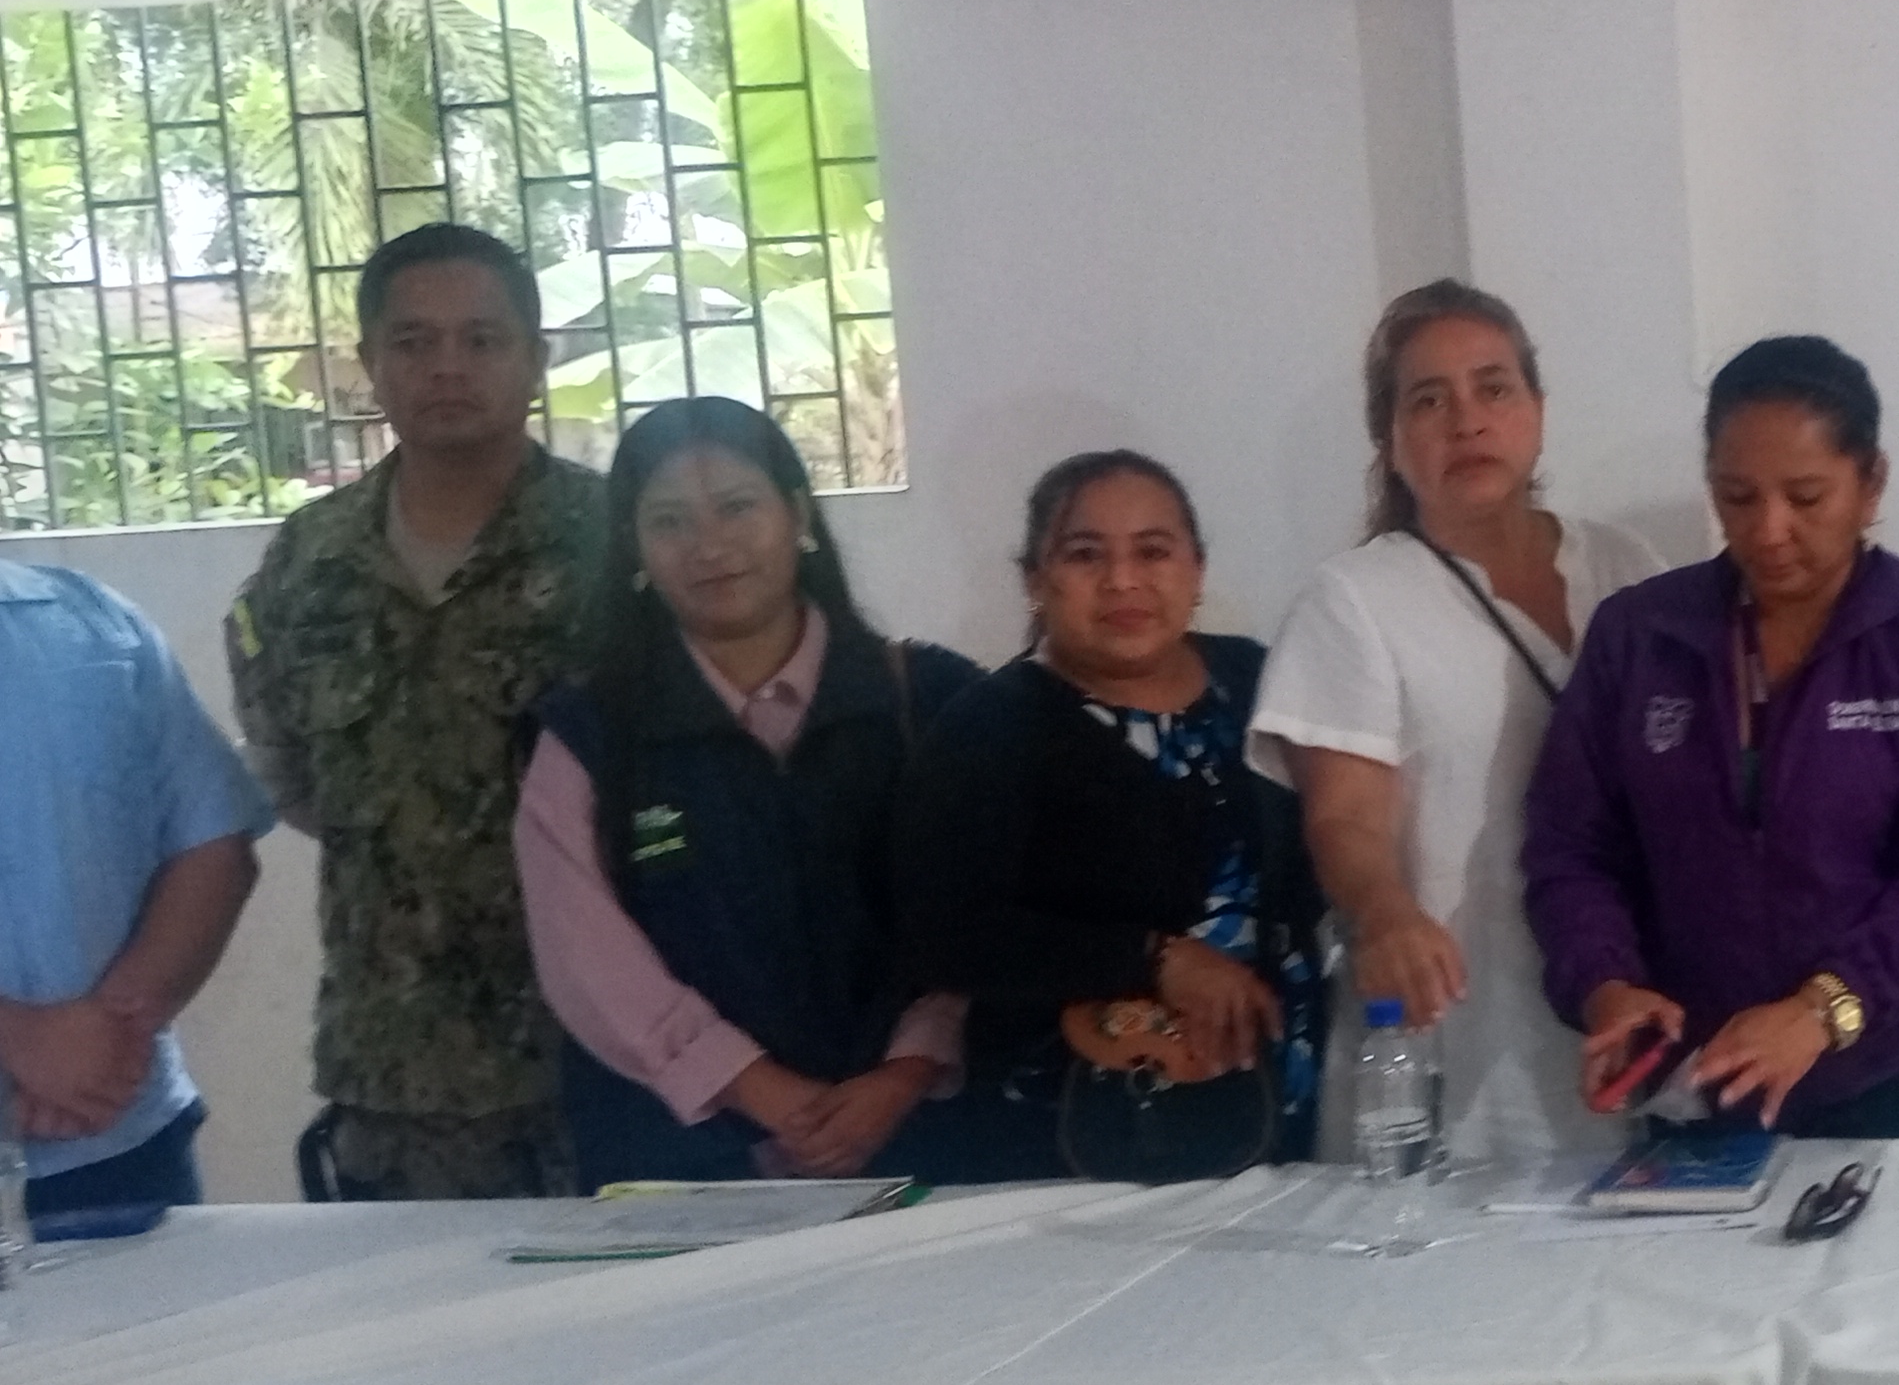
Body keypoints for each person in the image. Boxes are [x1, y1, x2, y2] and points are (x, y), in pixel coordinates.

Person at [1523, 338, 1899, 1138]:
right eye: (1737, 497)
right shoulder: (1641, 637)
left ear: (1871, 485)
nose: (1768, 530)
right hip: (1709, 1078)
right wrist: (1605, 984)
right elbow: (1571, 849)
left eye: (1805, 496)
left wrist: (1823, 1010)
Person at [228, 222, 605, 1197]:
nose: (447, 367)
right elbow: (293, 776)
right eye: (413, 341)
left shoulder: (616, 542)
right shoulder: (309, 561)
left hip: (607, 1052)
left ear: (535, 358)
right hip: (397, 1071)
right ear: (371, 364)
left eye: (481, 339)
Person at [513, 399, 980, 1184]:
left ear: (798, 514)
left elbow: (988, 912)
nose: (709, 546)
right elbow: (587, 962)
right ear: (633, 547)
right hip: (686, 1165)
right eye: (669, 521)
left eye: (736, 507)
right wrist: (761, 1092)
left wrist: (908, 1069)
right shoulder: (588, 735)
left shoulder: (933, 702)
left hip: (925, 1144)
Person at [1251, 285, 1659, 1166]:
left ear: (1537, 410)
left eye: (1493, 388)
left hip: (1630, 1015)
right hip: (1455, 1034)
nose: (1466, 420)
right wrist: (1384, 912)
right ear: (1390, 441)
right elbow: (1343, 818)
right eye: (1428, 401)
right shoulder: (1355, 601)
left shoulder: (1627, 567)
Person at [898, 452, 1325, 1170]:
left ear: (1196, 569)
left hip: (1280, 1089)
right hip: (1084, 1125)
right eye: (1085, 555)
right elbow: (944, 933)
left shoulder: (1257, 679)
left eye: (1153, 551)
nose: (1123, 580)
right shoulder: (989, 727)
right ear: (1036, 580)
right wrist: (1154, 958)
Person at [0, 564, 271, 1218]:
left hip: (122, 1146)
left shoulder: (95, 625)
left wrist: (109, 1041)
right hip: (113, 1123)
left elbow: (214, 845)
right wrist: (19, 1038)